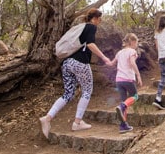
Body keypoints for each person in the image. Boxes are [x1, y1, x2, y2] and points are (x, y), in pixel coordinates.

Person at [39, 8, 112, 138]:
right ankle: (77, 122)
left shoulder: (80, 27)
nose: (100, 22)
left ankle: (48, 118)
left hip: (67, 64)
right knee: (87, 91)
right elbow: (90, 44)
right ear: (94, 18)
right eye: (99, 19)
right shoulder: (90, 27)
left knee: (68, 93)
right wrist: (104, 57)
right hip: (80, 63)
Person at [109, 33, 143, 133]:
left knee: (125, 101)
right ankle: (122, 106)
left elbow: (112, 63)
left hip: (119, 80)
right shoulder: (132, 51)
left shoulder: (119, 53)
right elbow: (132, 63)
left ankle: (123, 125)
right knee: (135, 96)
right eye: (136, 42)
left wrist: (105, 60)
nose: (137, 45)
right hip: (128, 79)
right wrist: (138, 75)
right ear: (132, 42)